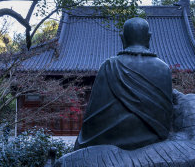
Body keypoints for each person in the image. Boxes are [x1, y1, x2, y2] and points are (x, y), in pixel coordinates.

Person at [74, 17, 173, 151]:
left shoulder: (109, 66)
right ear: (149, 37)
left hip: (110, 143)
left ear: (122, 38)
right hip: (154, 143)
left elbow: (93, 119)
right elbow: (167, 118)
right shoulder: (164, 68)